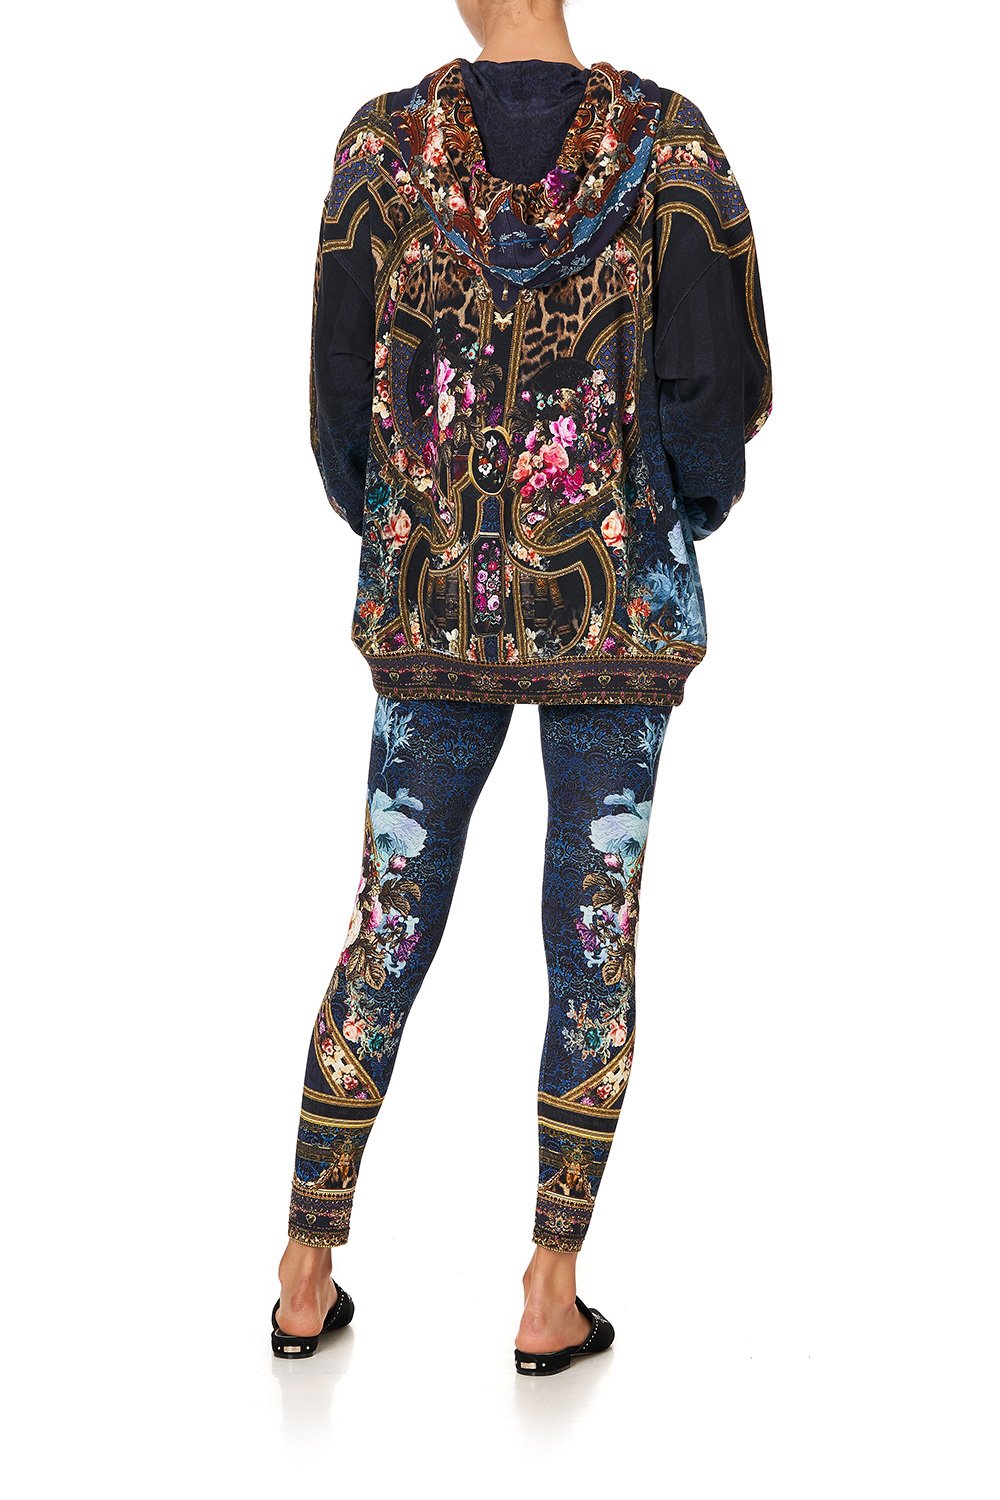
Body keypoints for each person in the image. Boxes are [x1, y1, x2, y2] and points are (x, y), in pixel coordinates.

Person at [271, 0, 772, 1372]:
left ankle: (305, 1270)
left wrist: (417, 531)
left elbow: (337, 408)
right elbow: (715, 396)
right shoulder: (672, 149)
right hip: (614, 612)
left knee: (389, 922)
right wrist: (657, 517)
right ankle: (551, 1293)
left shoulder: (382, 152)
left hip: (431, 605)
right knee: (591, 937)